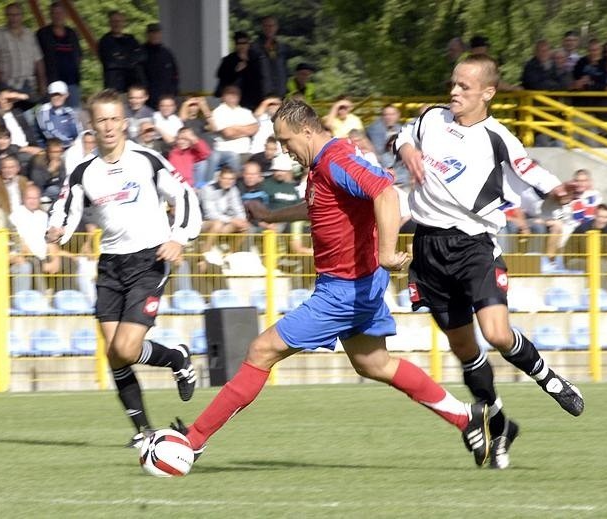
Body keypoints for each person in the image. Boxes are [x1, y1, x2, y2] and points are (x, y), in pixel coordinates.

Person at [170, 98, 491, 468]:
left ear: (307, 130)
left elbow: (384, 192)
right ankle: (467, 417)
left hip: (344, 290)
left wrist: (387, 251)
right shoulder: (323, 164)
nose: (285, 151)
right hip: (359, 285)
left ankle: (192, 440)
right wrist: (273, 216)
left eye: (287, 141)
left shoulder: (337, 158)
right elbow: (319, 205)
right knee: (374, 363)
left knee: (260, 351)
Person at [395, 54, 585, 470]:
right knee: (464, 350)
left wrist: (560, 190)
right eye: (453, 84)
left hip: (474, 247)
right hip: (428, 247)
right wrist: (408, 149)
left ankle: (548, 378)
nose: (454, 92)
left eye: (464, 87)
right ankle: (500, 425)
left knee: (496, 334)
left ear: (488, 92)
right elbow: (402, 135)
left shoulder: (498, 136)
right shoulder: (432, 118)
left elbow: (531, 171)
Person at [46, 88, 202, 447]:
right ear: (91, 124)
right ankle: (144, 432)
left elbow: (185, 196)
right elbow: (65, 208)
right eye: (102, 119)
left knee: (128, 348)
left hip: (150, 259)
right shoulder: (84, 171)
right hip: (111, 264)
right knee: (114, 352)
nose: (109, 126)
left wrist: (179, 237)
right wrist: (59, 231)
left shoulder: (147, 159)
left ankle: (177, 357)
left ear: (125, 122)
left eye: (115, 118)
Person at [0, 2, 46, 96]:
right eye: (10, 15)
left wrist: (42, 84)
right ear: (6, 16)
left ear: (22, 16)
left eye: (16, 14)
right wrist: (2, 82)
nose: (13, 18)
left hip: (28, 85)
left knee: (29, 111)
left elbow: (38, 60)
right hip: (7, 85)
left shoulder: (30, 35)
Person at [36, 1, 83, 108]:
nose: (58, 16)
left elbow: (79, 55)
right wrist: (41, 82)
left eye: (60, 13)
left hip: (72, 83)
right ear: (50, 15)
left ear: (65, 15)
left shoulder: (72, 33)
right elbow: (38, 60)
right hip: (51, 83)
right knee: (51, 115)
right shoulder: (43, 34)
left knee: (74, 115)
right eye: (54, 13)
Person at [98, 10, 144, 93]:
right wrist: (130, 59)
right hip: (114, 87)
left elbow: (142, 56)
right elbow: (110, 62)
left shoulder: (131, 39)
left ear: (124, 23)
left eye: (119, 21)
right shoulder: (105, 41)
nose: (117, 24)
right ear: (110, 23)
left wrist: (122, 57)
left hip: (132, 85)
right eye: (114, 21)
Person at [141, 24, 178, 110]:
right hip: (148, 101)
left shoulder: (167, 53)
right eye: (152, 33)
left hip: (166, 101)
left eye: (157, 33)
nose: (155, 35)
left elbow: (175, 75)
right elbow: (138, 77)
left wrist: (173, 93)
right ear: (147, 35)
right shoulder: (141, 52)